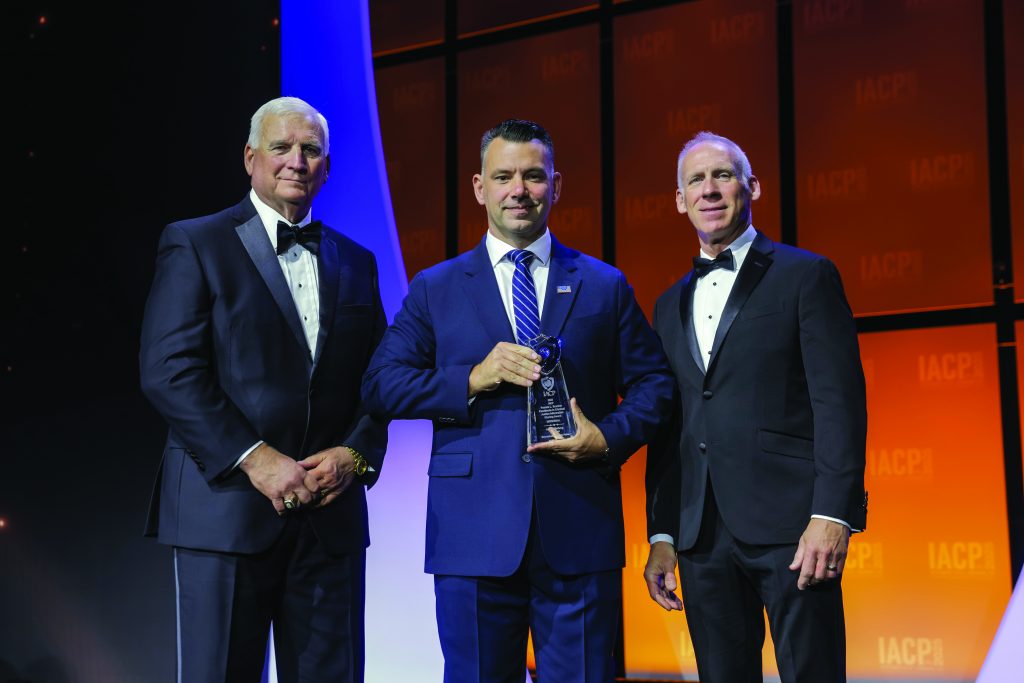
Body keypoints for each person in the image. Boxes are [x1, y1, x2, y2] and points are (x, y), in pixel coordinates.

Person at [362, 119, 674, 683]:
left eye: (533, 176)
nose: (519, 190)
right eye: (503, 176)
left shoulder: (604, 284)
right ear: (480, 188)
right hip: (472, 536)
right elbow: (381, 384)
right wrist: (472, 378)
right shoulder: (437, 286)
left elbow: (656, 386)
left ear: (556, 186)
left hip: (579, 530)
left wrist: (608, 438)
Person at [139, 96, 388, 683]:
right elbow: (168, 370)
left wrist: (354, 455)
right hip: (223, 512)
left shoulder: (359, 261)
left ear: (327, 167)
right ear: (251, 158)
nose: (296, 161)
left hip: (329, 519)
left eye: (311, 151)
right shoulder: (194, 242)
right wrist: (257, 460)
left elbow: (383, 380)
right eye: (281, 147)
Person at [643, 131, 868, 682]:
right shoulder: (668, 303)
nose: (710, 189)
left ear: (753, 187)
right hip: (701, 537)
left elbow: (839, 402)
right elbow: (672, 426)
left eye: (722, 175)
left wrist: (833, 514)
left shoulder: (805, 275)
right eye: (695, 180)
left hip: (795, 529)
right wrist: (664, 535)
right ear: (679, 199)